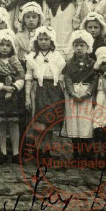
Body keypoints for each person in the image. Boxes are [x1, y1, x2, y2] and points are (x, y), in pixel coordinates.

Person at [24, 26, 65, 161]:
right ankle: (38, 149)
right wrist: (27, 98)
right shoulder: (32, 57)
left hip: (53, 89)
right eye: (40, 39)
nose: (43, 42)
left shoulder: (57, 56)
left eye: (46, 39)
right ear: (36, 41)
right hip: (38, 89)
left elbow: (60, 76)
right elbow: (29, 77)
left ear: (51, 40)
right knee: (38, 121)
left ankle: (47, 149)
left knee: (49, 121)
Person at [0, 29, 25, 165]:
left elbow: (21, 77)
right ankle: (2, 152)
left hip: (13, 95)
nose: (4, 48)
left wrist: (14, 87)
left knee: (14, 124)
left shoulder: (15, 62)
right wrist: (3, 87)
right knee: (1, 124)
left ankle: (15, 153)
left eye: (8, 45)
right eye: (2, 45)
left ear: (12, 48)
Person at [61, 30, 98, 161]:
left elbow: (95, 79)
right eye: (76, 45)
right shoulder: (70, 63)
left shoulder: (93, 63)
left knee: (85, 122)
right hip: (73, 95)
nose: (79, 48)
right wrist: (72, 92)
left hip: (86, 95)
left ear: (88, 47)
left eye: (82, 45)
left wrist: (88, 93)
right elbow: (68, 78)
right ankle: (76, 153)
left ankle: (86, 153)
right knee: (74, 122)